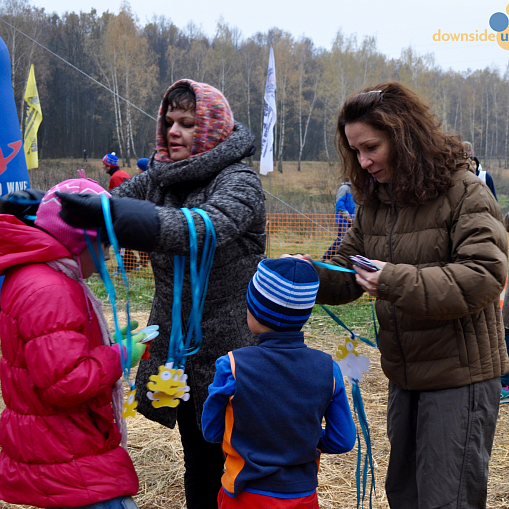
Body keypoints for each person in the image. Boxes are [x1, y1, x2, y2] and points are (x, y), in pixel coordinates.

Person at [285, 82, 508, 509]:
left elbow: (484, 276)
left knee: (447, 500)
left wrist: (392, 281)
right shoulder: (376, 202)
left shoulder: (465, 192)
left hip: (459, 378)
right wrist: (305, 272)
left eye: (371, 147)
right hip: (405, 377)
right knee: (404, 495)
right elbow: (348, 268)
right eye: (356, 152)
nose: (363, 162)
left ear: (405, 137)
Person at [56, 79, 266, 509]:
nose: (174, 131)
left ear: (212, 129)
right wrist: (43, 205)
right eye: (169, 121)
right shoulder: (161, 179)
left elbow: (204, 226)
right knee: (199, 466)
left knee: (239, 468)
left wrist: (128, 218)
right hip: (180, 355)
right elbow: (106, 200)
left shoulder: (240, 181)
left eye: (188, 123)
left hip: (233, 356)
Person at [0, 178, 141, 508]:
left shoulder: (40, 274)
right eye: (104, 246)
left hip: (58, 442)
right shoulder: (51, 289)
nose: (107, 258)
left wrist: (105, 344)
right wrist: (118, 356)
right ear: (83, 242)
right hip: (70, 451)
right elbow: (65, 382)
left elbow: (53, 355)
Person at [202, 257, 356, 509]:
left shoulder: (230, 366)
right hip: (302, 496)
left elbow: (211, 431)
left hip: (245, 494)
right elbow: (343, 440)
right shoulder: (329, 368)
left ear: (254, 311)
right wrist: (304, 437)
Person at [323, 180, 356, 259]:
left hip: (351, 218)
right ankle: (325, 257)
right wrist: (347, 217)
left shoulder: (355, 191)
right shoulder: (344, 188)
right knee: (341, 240)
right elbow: (339, 205)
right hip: (343, 219)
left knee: (351, 239)